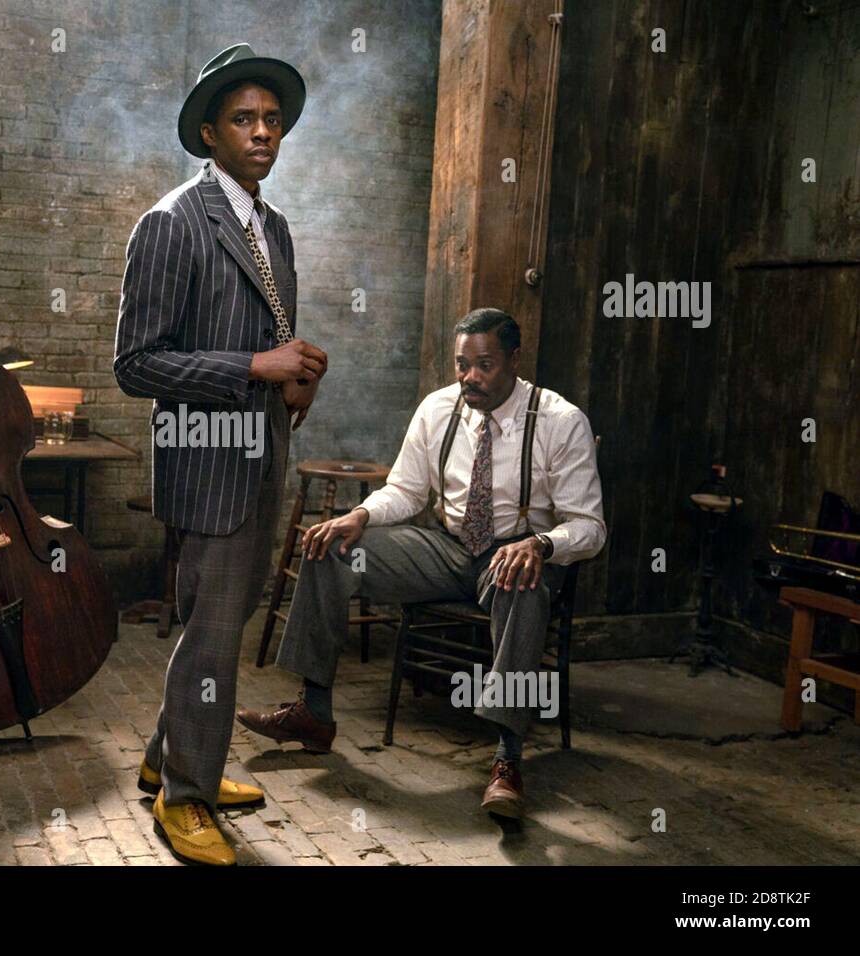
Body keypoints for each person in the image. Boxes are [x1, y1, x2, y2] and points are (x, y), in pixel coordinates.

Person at [237, 308, 605, 819]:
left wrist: (540, 544)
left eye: (484, 365)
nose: (470, 377)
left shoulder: (560, 421)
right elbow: (407, 491)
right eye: (461, 364)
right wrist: (360, 515)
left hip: (518, 559)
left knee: (520, 583)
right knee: (331, 547)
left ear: (514, 360)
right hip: (449, 550)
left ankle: (507, 758)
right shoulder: (438, 408)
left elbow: (590, 526)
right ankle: (314, 712)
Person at [113, 44, 326, 864]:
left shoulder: (271, 225)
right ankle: (187, 797)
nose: (264, 131)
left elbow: (270, 340)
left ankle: (168, 758)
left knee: (218, 621)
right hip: (206, 459)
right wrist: (252, 369)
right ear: (208, 133)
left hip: (260, 449)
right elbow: (136, 364)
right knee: (212, 630)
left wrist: (296, 373)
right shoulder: (170, 223)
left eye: (273, 118)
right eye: (244, 118)